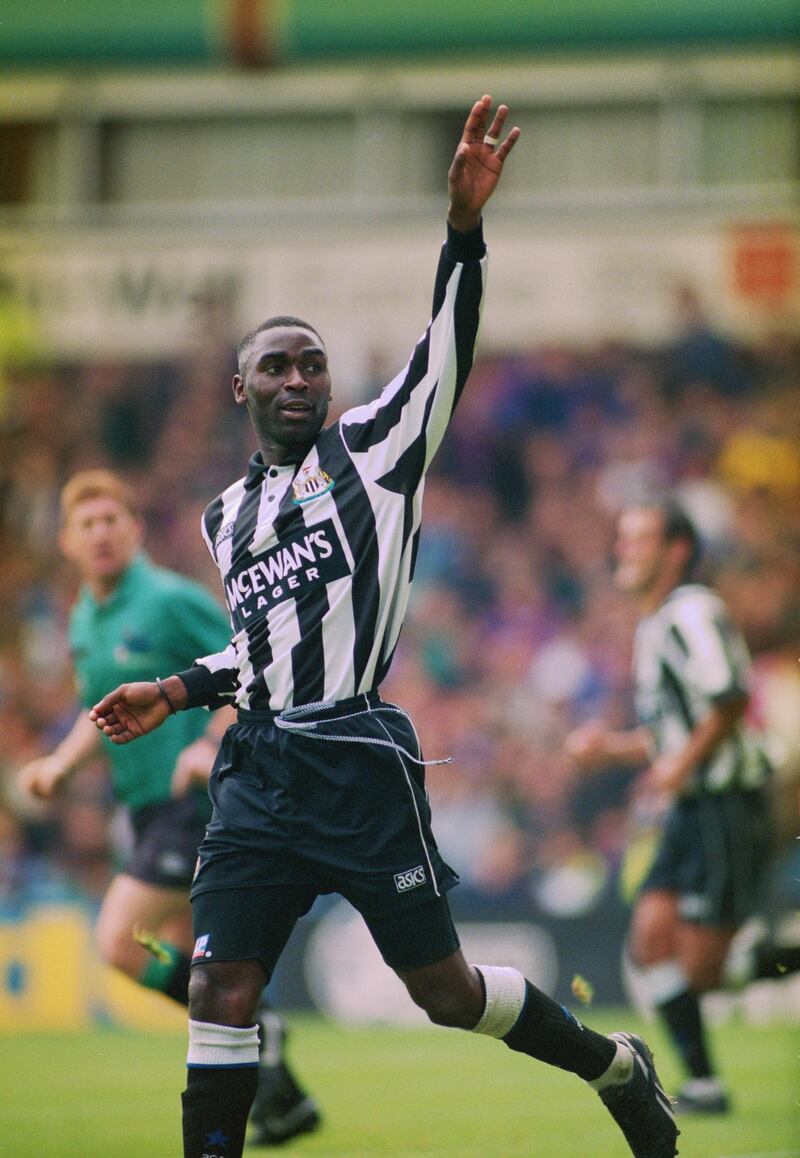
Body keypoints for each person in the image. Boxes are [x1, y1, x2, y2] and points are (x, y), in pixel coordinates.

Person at [90, 97, 678, 1158]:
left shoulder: (375, 451)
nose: (297, 378)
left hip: (359, 760)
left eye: (310, 362)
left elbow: (447, 342)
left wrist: (461, 229)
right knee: (220, 984)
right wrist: (177, 690)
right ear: (241, 389)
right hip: (259, 771)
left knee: (445, 995)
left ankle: (614, 1067)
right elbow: (262, 647)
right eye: (275, 366)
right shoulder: (225, 517)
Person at [18, 468, 320, 1147]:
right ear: (66, 541)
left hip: (198, 798)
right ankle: (283, 1100)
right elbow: (101, 710)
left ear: (135, 530)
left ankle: (263, 1027)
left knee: (120, 943)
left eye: (112, 521)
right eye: (87, 524)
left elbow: (255, 662)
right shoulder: (84, 619)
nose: (101, 534)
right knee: (208, 974)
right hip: (149, 811)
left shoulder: (167, 600)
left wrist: (208, 740)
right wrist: (61, 767)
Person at [566, 499, 800, 1114]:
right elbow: (673, 733)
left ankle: (787, 959)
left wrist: (680, 766)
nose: (625, 550)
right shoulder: (656, 623)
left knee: (696, 970)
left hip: (728, 803)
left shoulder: (693, 611)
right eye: (623, 539)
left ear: (676, 551)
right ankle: (704, 1084)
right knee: (650, 944)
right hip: (694, 809)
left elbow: (729, 698)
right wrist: (611, 749)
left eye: (640, 539)